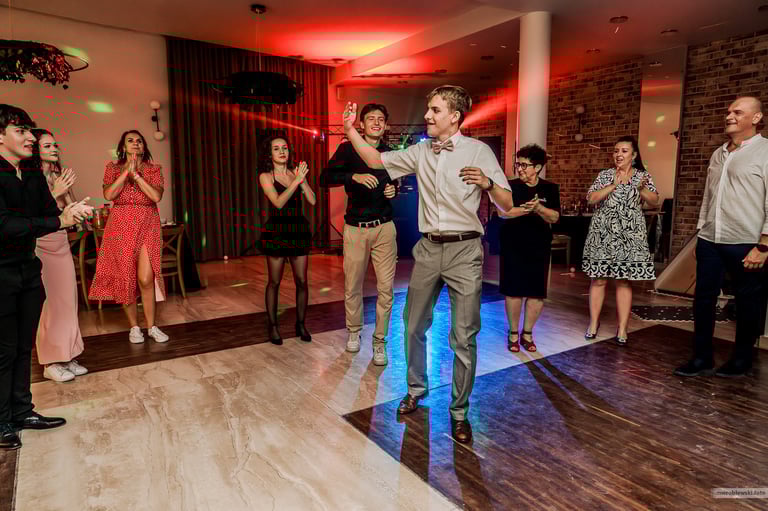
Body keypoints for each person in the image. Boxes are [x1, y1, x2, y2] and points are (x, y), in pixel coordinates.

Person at [341, 85, 514, 444]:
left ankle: (459, 411)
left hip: (465, 250)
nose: (427, 116)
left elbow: (507, 204)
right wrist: (349, 131)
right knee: (413, 324)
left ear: (454, 116)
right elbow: (375, 161)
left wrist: (487, 184)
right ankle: (415, 390)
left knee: (463, 335)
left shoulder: (479, 151)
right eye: (428, 109)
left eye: (435, 110)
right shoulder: (420, 151)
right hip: (427, 249)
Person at [0, 104, 92, 450]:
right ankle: (1, 420)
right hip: (1, 272)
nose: (29, 137)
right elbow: (6, 225)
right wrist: (57, 220)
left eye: (29, 130)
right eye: (20, 130)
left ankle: (23, 411)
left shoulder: (32, 174)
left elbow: (48, 213)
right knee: (4, 350)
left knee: (24, 346)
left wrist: (69, 212)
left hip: (27, 268)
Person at [675, 96, 768, 378]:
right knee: (703, 299)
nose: (729, 116)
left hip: (746, 241)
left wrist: (764, 245)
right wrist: (701, 233)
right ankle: (702, 358)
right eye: (728, 112)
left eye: (737, 112)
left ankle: (742, 360)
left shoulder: (765, 151)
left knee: (747, 302)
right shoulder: (718, 154)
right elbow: (709, 197)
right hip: (710, 239)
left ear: (756, 118)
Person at [320, 103, 397, 366]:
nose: (376, 122)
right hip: (355, 228)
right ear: (361, 125)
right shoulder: (347, 149)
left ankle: (380, 341)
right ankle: (354, 331)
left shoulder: (390, 153)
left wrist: (393, 190)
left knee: (386, 289)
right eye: (371, 118)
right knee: (353, 286)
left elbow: (395, 181)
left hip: (385, 227)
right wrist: (354, 176)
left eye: (381, 119)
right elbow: (324, 178)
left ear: (386, 125)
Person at [88, 130, 169, 344]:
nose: (135, 143)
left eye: (139, 141)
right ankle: (134, 327)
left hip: (147, 224)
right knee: (125, 276)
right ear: (123, 147)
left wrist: (137, 176)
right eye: (130, 141)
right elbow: (109, 195)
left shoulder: (154, 169)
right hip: (120, 226)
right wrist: (125, 173)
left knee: (145, 278)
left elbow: (156, 196)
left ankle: (152, 327)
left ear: (144, 147)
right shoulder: (112, 168)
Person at [582, 136, 659, 346]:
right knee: (598, 279)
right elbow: (591, 199)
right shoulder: (604, 175)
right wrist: (612, 185)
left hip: (630, 235)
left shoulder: (643, 176)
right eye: (616, 150)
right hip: (602, 233)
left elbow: (654, 201)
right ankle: (593, 323)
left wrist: (641, 189)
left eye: (624, 151)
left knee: (624, 280)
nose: (619, 154)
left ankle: (623, 327)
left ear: (634, 155)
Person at [27, 129, 86, 382]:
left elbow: (67, 210)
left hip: (61, 241)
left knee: (68, 301)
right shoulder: (29, 178)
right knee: (50, 304)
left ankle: (67, 354)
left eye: (55, 145)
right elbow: (30, 215)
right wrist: (56, 191)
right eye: (47, 145)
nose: (54, 149)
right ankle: (50, 362)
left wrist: (75, 203)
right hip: (42, 244)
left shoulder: (57, 175)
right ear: (36, 150)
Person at [496, 144, 560, 352]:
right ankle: (513, 333)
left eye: (525, 165)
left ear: (538, 167)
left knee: (536, 292)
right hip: (513, 244)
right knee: (513, 291)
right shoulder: (509, 186)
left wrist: (539, 207)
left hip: (539, 245)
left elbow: (555, 217)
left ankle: (527, 333)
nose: (520, 169)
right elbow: (503, 213)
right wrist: (527, 210)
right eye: (518, 164)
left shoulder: (550, 188)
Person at [258, 135, 317, 345]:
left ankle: (301, 324)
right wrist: (296, 182)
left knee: (302, 281)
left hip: (298, 230)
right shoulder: (266, 176)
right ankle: (273, 326)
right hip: (277, 231)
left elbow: (312, 200)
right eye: (276, 148)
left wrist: (303, 181)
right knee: (274, 282)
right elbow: (278, 203)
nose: (282, 151)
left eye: (284, 148)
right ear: (269, 154)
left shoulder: (295, 173)